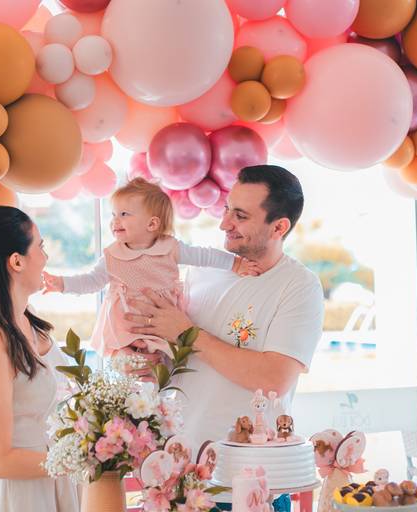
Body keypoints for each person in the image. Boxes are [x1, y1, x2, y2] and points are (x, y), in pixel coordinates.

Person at [121, 165, 324, 512]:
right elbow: (183, 359)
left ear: (279, 227)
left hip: (245, 488)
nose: (224, 223)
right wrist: (149, 357)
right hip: (175, 477)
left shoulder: (299, 287)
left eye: (240, 215)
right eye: (227, 209)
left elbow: (273, 377)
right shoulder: (202, 270)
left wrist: (185, 332)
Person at [0, 206, 78, 512]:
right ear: (16, 261)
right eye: (41, 247)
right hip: (22, 497)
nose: (46, 258)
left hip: (55, 481)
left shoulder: (30, 325)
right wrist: (85, 458)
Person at [43, 177, 258, 357]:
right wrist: (62, 284)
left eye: (124, 214)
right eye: (114, 214)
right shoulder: (112, 255)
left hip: (164, 321)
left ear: (152, 224)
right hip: (125, 325)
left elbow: (204, 255)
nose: (115, 221)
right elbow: (91, 281)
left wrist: (235, 263)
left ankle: (157, 401)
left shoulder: (169, 248)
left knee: (162, 366)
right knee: (130, 366)